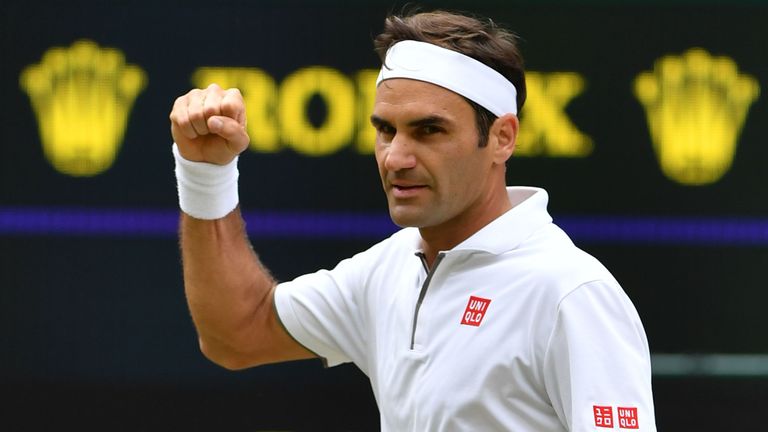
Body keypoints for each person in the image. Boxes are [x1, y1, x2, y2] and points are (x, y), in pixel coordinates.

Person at [169, 10, 656, 431]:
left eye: (428, 130)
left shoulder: (572, 293)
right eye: (386, 130)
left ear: (503, 138)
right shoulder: (388, 269)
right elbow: (236, 333)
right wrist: (205, 173)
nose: (396, 157)